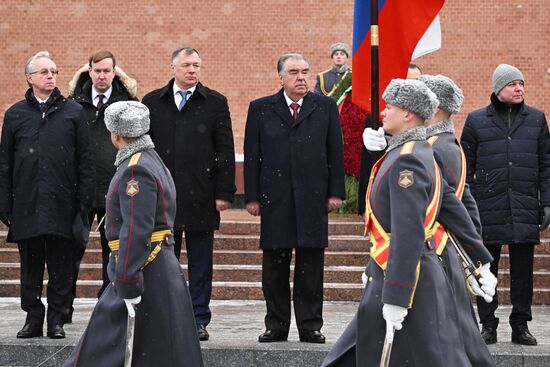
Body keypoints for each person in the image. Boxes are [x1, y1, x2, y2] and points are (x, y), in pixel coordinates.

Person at [322, 79, 495, 366]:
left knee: (433, 354)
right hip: (398, 269)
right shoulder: (415, 151)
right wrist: (479, 257)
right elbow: (450, 204)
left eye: (390, 107)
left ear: (408, 115)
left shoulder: (409, 159)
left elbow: (409, 230)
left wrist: (398, 295)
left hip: (409, 275)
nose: (382, 113)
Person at [63, 101, 204, 367]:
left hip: (142, 267)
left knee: (104, 347)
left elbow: (137, 230)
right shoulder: (150, 159)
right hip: (154, 266)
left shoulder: (135, 169)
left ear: (115, 134)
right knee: (161, 349)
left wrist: (127, 279)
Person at [244, 53, 345, 344]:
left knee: (311, 266)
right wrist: (252, 197)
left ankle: (310, 325)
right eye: (293, 72)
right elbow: (252, 156)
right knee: (274, 267)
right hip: (275, 199)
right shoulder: (262, 108)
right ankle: (276, 325)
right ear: (281, 77)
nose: (301, 77)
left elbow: (334, 152)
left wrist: (335, 192)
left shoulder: (324, 107)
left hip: (313, 198)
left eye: (305, 72)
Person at [142, 47, 236, 341]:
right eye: (186, 65)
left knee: (200, 263)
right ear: (173, 67)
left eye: (196, 65)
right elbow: (145, 148)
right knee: (161, 260)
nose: (192, 70)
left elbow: (225, 150)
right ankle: (164, 316)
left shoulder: (215, 102)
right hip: (162, 197)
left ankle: (197, 318)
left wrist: (224, 192)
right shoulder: (153, 102)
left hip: (201, 195)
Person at [0, 51, 95, 339]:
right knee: (30, 267)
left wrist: (83, 203)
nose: (51, 76)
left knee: (61, 268)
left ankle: (56, 319)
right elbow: (5, 163)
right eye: (44, 72)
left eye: (54, 71)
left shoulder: (73, 112)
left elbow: (85, 161)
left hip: (62, 205)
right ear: (29, 78)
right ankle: (32, 317)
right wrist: (5, 206)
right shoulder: (16, 114)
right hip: (27, 205)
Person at [461, 64, 550, 346]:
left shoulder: (536, 119)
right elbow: (464, 166)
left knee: (523, 272)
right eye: (513, 84)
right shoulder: (476, 121)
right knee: (486, 269)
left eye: (521, 84)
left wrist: (546, 202)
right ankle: (488, 324)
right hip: (487, 208)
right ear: (498, 88)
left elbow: (546, 164)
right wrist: (471, 202)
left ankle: (520, 325)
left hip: (524, 206)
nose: (519, 89)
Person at [421, 74, 495, 366]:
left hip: (437, 251)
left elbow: (452, 203)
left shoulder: (439, 147)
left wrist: (477, 256)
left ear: (435, 106)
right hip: (437, 251)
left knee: (453, 331)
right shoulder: (435, 142)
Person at [65, 50, 138, 322]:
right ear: (89, 71)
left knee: (114, 253)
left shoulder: (128, 104)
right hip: (80, 191)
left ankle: (108, 309)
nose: (102, 75)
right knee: (72, 252)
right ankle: (64, 310)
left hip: (115, 190)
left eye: (107, 70)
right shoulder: (73, 104)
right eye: (97, 70)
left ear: (114, 72)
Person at [357, 63, 423, 216]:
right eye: (407, 81)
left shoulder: (431, 115)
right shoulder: (380, 116)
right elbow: (369, 166)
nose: (412, 86)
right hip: (388, 196)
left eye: (417, 81)